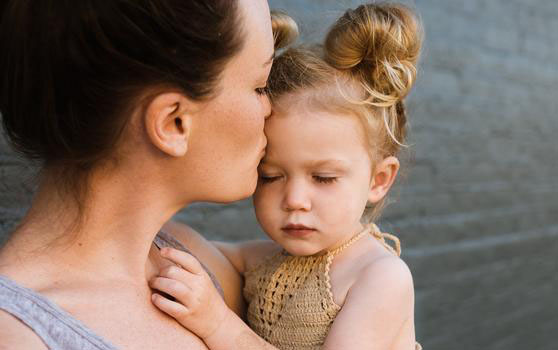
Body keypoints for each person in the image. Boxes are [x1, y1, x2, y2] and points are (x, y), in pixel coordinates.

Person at [0, 0, 295, 349]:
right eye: (259, 87)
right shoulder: (19, 337)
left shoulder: (194, 261)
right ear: (174, 122)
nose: (270, 108)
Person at [148, 3, 423, 350]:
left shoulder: (379, 276)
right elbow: (187, 247)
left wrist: (218, 324)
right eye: (270, 176)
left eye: (323, 178)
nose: (294, 199)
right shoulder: (264, 261)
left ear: (379, 180)